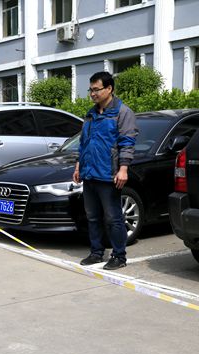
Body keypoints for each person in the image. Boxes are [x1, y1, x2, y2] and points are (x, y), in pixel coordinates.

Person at [73, 71, 137, 271]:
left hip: (109, 175)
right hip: (89, 173)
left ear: (109, 89)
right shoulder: (91, 114)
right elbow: (84, 142)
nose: (93, 94)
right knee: (92, 217)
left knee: (113, 218)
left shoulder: (122, 112)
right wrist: (78, 165)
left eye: (96, 89)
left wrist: (123, 169)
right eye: (90, 90)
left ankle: (119, 256)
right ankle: (96, 252)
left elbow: (127, 143)